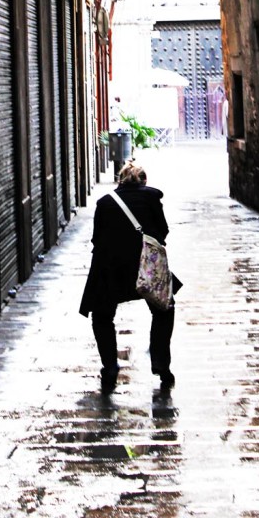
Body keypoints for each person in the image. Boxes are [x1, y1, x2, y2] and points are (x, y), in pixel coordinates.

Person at [79, 160, 180, 394]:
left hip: (109, 267)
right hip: (145, 265)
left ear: (119, 181)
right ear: (144, 180)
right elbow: (162, 232)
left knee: (102, 316)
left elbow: (96, 238)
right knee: (164, 308)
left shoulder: (104, 203)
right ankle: (160, 363)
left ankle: (110, 367)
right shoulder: (152, 198)